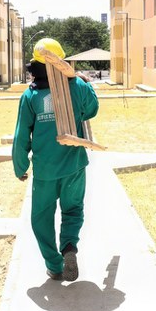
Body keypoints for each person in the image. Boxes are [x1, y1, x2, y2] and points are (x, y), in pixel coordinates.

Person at [12, 38, 99, 282]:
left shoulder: (30, 96)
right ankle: (69, 246)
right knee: (73, 209)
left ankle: (54, 265)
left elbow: (21, 135)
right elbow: (92, 109)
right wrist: (84, 83)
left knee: (41, 217)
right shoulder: (77, 87)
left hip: (45, 169)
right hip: (74, 164)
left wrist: (20, 166)